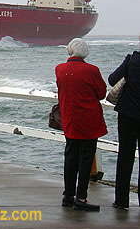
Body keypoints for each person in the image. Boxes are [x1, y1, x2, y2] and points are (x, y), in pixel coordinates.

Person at [55, 38, 107, 211]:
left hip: (70, 121)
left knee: (70, 158)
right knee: (85, 160)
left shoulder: (59, 69)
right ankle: (81, 198)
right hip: (88, 122)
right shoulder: (92, 70)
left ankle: (68, 195)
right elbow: (101, 93)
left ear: (69, 51)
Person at [108, 40, 140, 209]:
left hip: (127, 114)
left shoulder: (132, 59)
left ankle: (121, 200)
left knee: (125, 157)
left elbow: (112, 80)